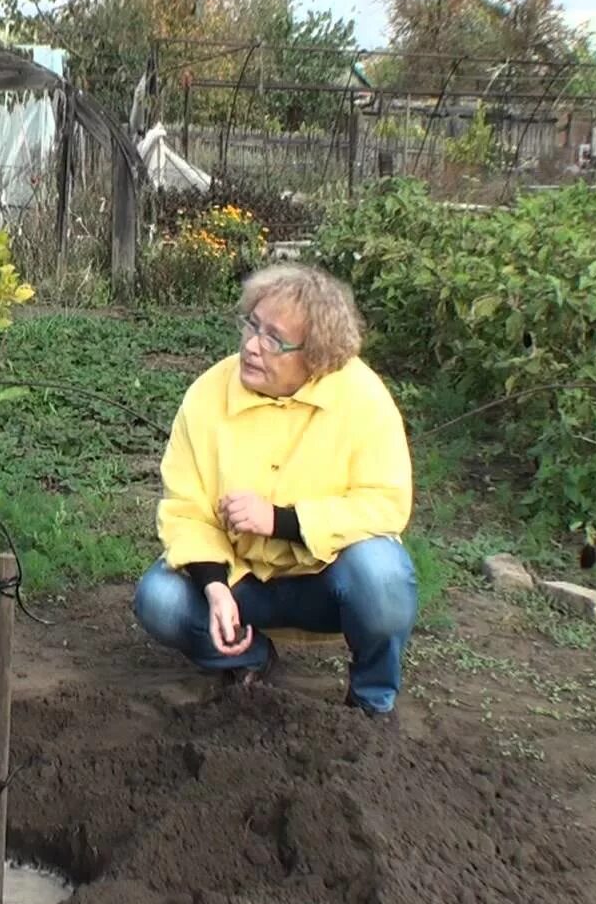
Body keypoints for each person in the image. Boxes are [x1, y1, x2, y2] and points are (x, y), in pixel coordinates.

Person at [131, 262, 419, 723]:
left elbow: (384, 503)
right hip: (243, 582)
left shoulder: (363, 398)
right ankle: (250, 659)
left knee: (383, 575)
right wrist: (214, 587)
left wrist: (281, 520)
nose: (251, 347)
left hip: (330, 583)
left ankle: (371, 702)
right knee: (160, 599)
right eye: (252, 326)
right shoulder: (207, 395)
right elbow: (185, 510)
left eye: (274, 340)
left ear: (318, 357)